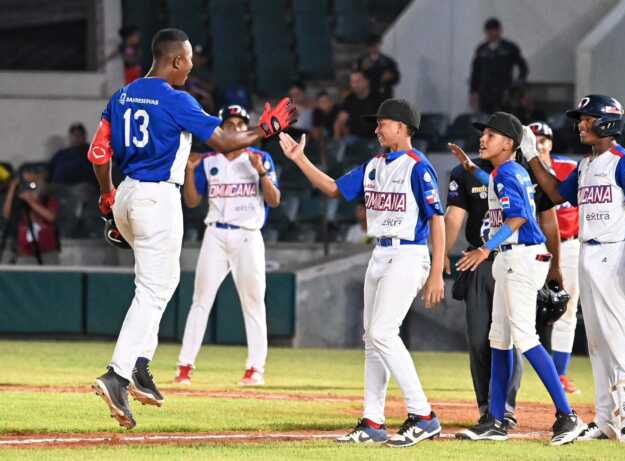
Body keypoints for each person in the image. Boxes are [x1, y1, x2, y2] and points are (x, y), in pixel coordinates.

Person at [88, 28, 295, 430]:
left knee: (160, 286)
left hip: (127, 194)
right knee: (151, 291)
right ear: (176, 60)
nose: (192, 66)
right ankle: (117, 375)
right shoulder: (176, 98)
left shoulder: (122, 95)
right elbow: (223, 142)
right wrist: (264, 132)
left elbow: (98, 151)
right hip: (158, 198)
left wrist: (107, 195)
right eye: (189, 59)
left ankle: (140, 366)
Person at [278, 99, 444, 447]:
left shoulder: (417, 166)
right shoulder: (374, 164)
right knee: (372, 339)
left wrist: (437, 272)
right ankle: (373, 422)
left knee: (383, 332)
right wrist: (299, 158)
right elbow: (334, 188)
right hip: (380, 251)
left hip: (409, 253)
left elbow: (437, 219)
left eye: (383, 123)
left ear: (402, 127)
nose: (376, 128)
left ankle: (424, 415)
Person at [522, 95, 625, 442]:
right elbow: (554, 194)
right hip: (587, 253)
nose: (581, 124)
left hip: (616, 255)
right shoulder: (585, 165)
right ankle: (606, 419)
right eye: (582, 119)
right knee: (597, 343)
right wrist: (530, 156)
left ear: (608, 122)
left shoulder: (624, 164)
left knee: (618, 341)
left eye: (588, 118)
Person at [448, 112, 585, 446]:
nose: (483, 139)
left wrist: (484, 249)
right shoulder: (505, 171)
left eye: (491, 135)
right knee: (499, 339)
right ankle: (495, 420)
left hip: (520, 257)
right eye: (483, 134)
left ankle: (567, 415)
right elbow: (503, 191)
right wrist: (471, 170)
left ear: (509, 143)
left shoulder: (508, 172)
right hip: (511, 258)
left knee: (524, 337)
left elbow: (520, 217)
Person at [174, 105, 280, 387]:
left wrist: (262, 174)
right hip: (215, 234)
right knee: (200, 300)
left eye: (240, 123)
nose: (235, 127)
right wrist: (188, 171)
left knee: (254, 302)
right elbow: (193, 202)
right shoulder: (209, 160)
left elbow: (275, 200)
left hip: (248, 235)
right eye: (229, 123)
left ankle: (255, 368)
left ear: (247, 128)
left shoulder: (259, 157)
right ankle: (184, 366)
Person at [528, 121, 581, 394]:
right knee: (528, 308)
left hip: (570, 245)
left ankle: (559, 373)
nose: (540, 142)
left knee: (565, 309)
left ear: (551, 143)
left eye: (544, 138)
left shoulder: (569, 168)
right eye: (534, 137)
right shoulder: (524, 170)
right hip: (534, 247)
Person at [469, 18, 528, 114]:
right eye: (489, 31)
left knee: (504, 120)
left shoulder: (509, 48)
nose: (492, 33)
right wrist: (473, 92)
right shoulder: (482, 49)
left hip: (504, 92)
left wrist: (519, 85)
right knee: (486, 121)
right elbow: (475, 72)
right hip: (485, 93)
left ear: (500, 30)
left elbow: (523, 67)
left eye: (494, 30)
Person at [2, 168, 60, 265]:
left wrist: (31, 202)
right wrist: (12, 187)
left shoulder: (48, 200)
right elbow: (6, 214)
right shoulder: (19, 202)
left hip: (47, 252)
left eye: (33, 183)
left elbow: (51, 217)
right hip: (24, 253)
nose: (29, 186)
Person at [334, 71, 383, 142]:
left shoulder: (378, 99)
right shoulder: (349, 99)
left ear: (366, 82)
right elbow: (339, 121)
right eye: (352, 82)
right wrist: (337, 141)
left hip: (375, 139)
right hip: (354, 138)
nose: (354, 85)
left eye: (358, 81)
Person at [356, 35, 401, 100]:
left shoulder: (388, 61)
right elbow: (355, 77)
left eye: (376, 45)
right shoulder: (361, 61)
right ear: (368, 47)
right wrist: (363, 71)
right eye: (372, 45)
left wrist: (391, 77)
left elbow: (397, 78)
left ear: (379, 45)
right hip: (367, 96)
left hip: (384, 94)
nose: (374, 48)